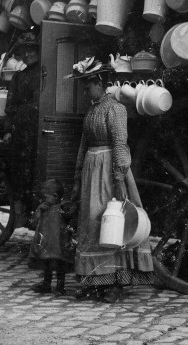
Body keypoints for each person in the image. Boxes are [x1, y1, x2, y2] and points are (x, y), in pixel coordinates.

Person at [66, 57, 154, 303]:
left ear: (99, 83)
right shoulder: (92, 110)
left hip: (109, 172)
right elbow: (83, 145)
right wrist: (77, 177)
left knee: (113, 223)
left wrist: (118, 179)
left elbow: (119, 144)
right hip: (91, 171)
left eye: (87, 87)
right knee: (92, 224)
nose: (85, 92)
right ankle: (95, 281)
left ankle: (116, 283)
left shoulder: (115, 108)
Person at [4, 31, 41, 224]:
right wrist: (8, 130)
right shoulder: (18, 78)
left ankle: (36, 211)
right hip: (21, 130)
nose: (27, 55)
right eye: (23, 52)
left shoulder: (45, 74)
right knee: (20, 169)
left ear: (38, 51)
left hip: (39, 128)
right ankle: (21, 212)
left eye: (31, 50)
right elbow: (10, 107)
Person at [28, 178, 74, 296]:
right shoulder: (44, 207)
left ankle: (60, 287)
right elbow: (33, 223)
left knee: (60, 266)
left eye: (45, 197)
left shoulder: (62, 208)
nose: (43, 200)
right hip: (46, 244)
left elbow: (69, 217)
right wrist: (39, 211)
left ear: (55, 196)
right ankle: (46, 284)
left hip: (58, 245)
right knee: (47, 265)